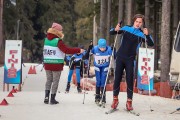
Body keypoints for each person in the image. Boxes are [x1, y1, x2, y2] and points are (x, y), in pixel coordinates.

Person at [110, 14, 154, 110]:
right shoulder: (126, 28)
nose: (138, 24)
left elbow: (151, 44)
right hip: (120, 57)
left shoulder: (142, 34)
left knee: (130, 80)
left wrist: (147, 35)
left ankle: (129, 102)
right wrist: (115, 29)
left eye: (140, 22)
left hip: (130, 59)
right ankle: (115, 100)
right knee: (117, 78)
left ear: (142, 23)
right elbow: (111, 33)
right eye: (137, 21)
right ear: (134, 21)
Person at [43, 22, 84, 104]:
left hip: (47, 63)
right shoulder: (58, 41)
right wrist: (78, 50)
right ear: (57, 31)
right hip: (56, 64)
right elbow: (66, 50)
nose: (62, 32)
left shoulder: (46, 40)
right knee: (55, 81)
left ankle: (46, 97)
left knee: (48, 80)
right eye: (61, 31)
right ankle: (52, 98)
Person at [91, 38, 113, 107]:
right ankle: (97, 96)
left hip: (105, 67)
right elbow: (89, 53)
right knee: (98, 81)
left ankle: (103, 96)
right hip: (97, 67)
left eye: (103, 48)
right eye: (101, 48)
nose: (102, 49)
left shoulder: (109, 49)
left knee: (103, 81)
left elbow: (114, 55)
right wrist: (90, 48)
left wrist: (113, 49)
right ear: (98, 46)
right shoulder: (95, 49)